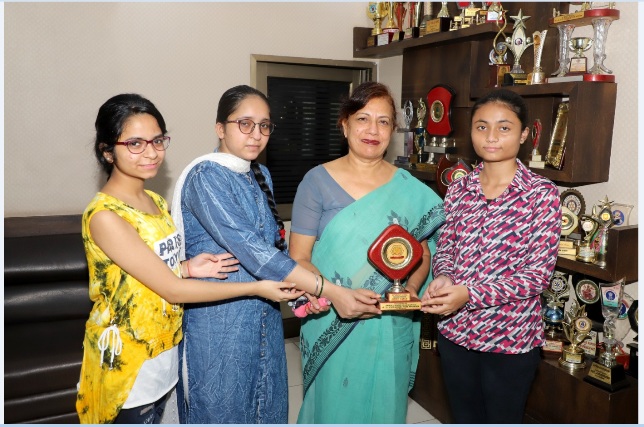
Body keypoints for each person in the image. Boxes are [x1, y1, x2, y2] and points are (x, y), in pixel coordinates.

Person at [76, 93, 303, 424]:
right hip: (128, 361)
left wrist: (186, 267)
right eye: (135, 144)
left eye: (157, 140)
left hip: (164, 350)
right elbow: (172, 290)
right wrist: (255, 288)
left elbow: (144, 271)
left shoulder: (153, 201)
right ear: (108, 151)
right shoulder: (106, 216)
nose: (151, 152)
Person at [171, 84, 383, 424]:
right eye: (245, 124)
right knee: (221, 409)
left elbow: (274, 246)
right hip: (218, 322)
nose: (256, 134)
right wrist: (328, 290)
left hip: (264, 315)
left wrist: (301, 294)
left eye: (264, 125)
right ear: (220, 128)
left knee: (266, 405)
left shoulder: (260, 174)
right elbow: (254, 252)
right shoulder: (205, 176)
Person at [289, 81, 445, 424]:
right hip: (332, 315)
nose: (373, 130)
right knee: (333, 408)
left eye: (383, 121)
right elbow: (298, 258)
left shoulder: (409, 189)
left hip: (389, 322)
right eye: (363, 119)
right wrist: (337, 295)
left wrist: (410, 290)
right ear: (345, 125)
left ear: (393, 130)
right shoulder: (316, 182)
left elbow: (423, 253)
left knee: (383, 407)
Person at [421, 89, 561, 423]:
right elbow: (447, 248)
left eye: (504, 127)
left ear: (524, 134)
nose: (491, 136)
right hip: (456, 332)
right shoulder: (459, 189)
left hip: (509, 339)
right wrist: (444, 276)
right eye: (482, 127)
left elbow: (536, 276)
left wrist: (469, 294)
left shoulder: (541, 194)